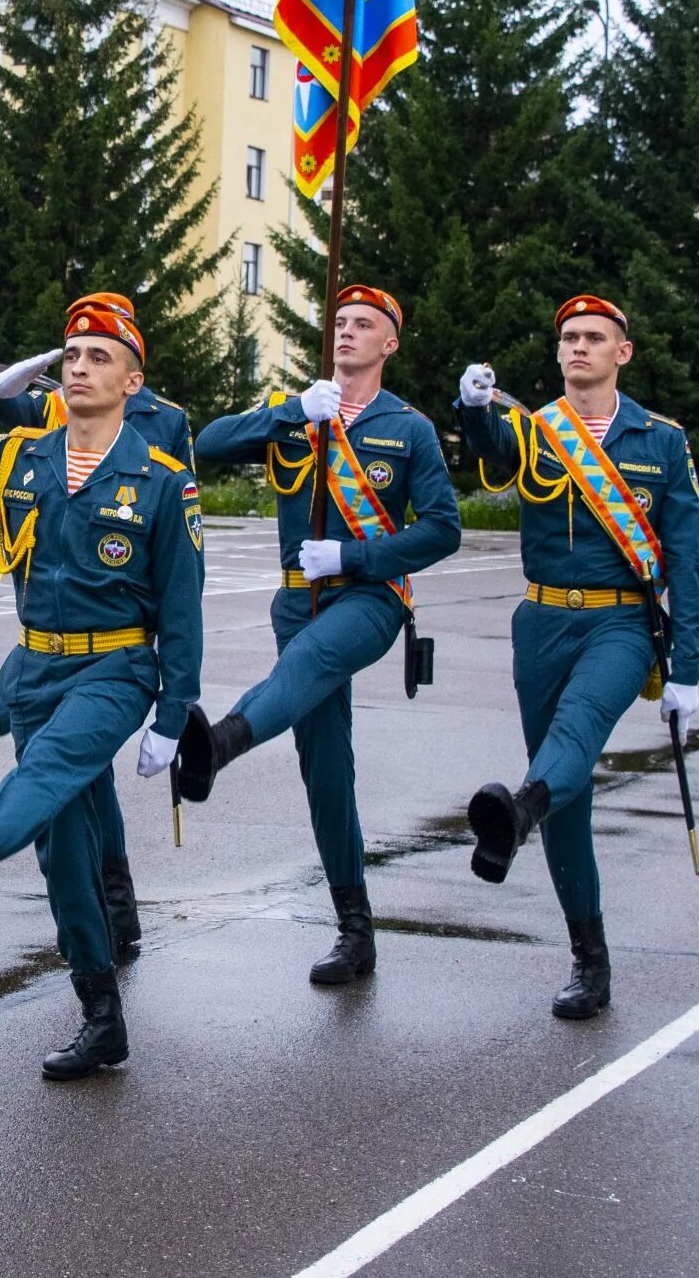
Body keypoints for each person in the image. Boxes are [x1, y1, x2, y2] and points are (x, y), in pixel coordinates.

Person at [0, 295, 204, 1080]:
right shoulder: (21, 459)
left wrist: (172, 713)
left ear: (134, 380)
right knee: (64, 854)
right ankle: (102, 1018)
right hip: (35, 667)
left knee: (46, 769)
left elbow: (183, 609)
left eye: (100, 357)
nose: (81, 367)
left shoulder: (160, 481)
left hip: (115, 668)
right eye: (71, 356)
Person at [181, 286, 464, 983]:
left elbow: (443, 526)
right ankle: (355, 930)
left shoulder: (408, 428)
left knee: (308, 660)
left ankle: (220, 742)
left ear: (389, 343)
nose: (346, 332)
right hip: (297, 599)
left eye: (364, 323)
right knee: (326, 761)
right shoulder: (301, 414)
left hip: (369, 596)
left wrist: (356, 556)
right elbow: (208, 443)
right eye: (339, 322)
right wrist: (288, 411)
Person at [452, 294, 699, 1020]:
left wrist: (685, 666)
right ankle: (588, 959)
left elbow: (687, 557)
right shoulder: (536, 431)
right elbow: (494, 454)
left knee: (578, 732)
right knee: (568, 798)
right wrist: (472, 407)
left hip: (622, 625)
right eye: (568, 336)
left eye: (595, 336)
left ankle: (519, 809)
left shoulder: (661, 440)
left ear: (622, 351)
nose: (579, 347)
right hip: (541, 621)